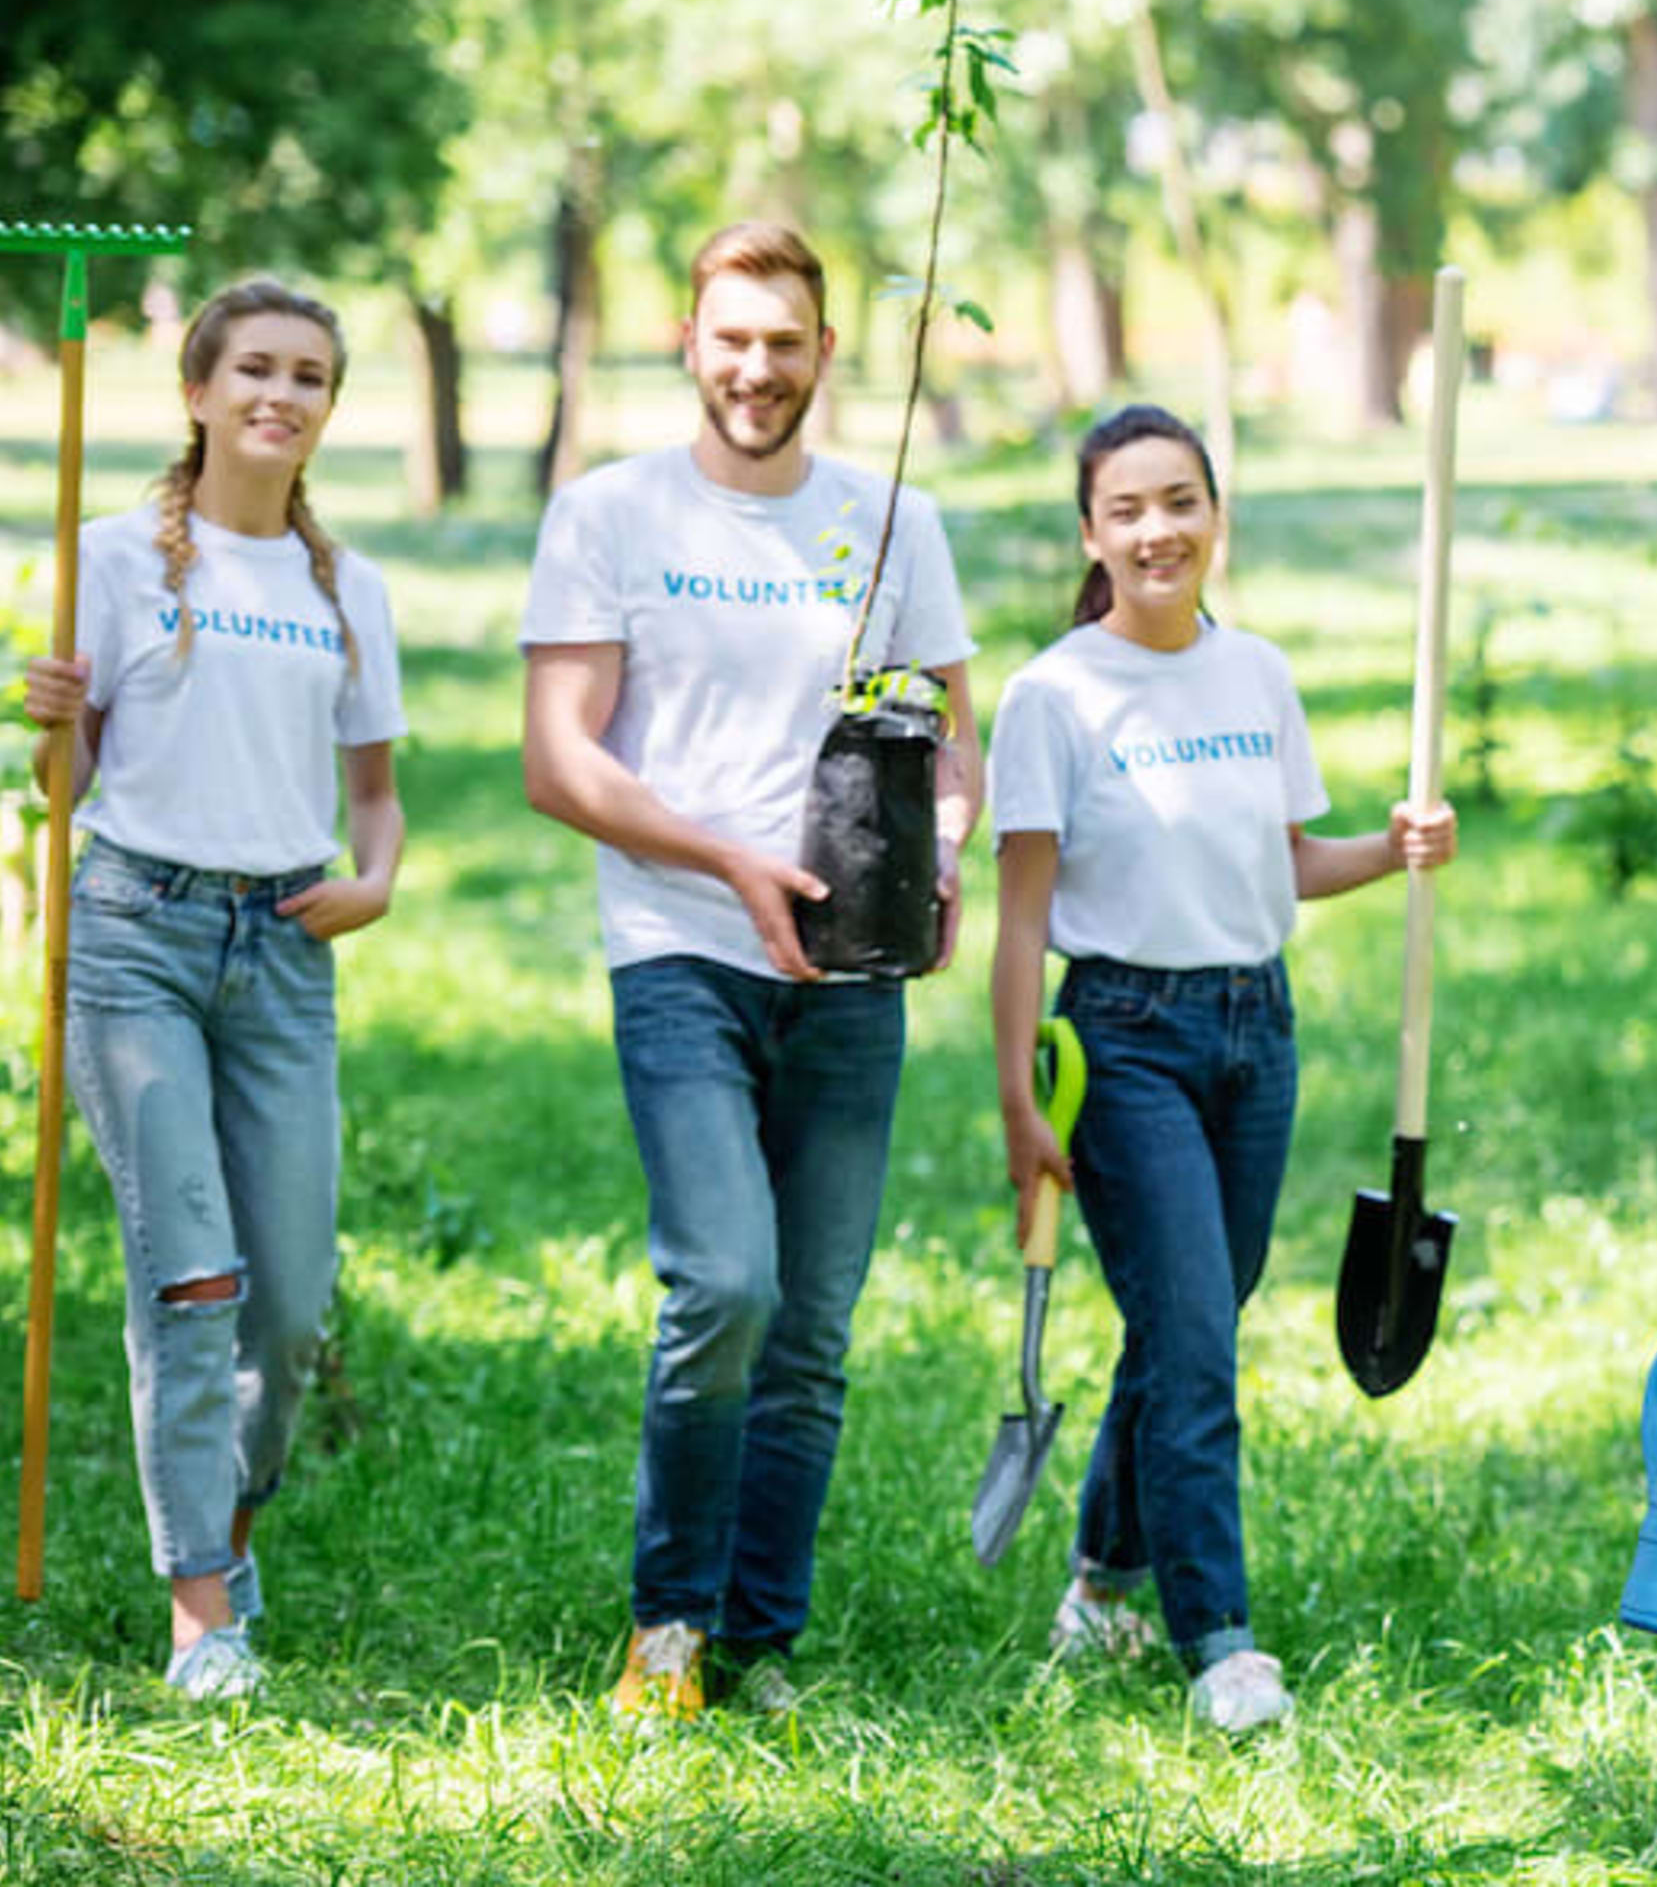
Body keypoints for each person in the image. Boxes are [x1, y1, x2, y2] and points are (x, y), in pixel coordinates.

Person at [519, 220, 981, 1716]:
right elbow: (556, 757)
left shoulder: (891, 520)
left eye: (785, 341)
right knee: (725, 1279)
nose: (757, 368)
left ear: (828, 353)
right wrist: (727, 859)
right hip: (684, 950)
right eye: (732, 337)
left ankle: (761, 1641)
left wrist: (949, 850)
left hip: (851, 974)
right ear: (688, 340)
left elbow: (948, 740)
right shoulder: (610, 514)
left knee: (814, 1324)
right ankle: (671, 1619)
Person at [984, 403, 1455, 1735]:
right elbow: (1022, 915)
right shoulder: (1054, 694)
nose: (1156, 530)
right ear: (1091, 531)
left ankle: (1103, 1575)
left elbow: (1289, 862)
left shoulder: (1255, 673)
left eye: (1179, 501)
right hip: (1123, 1036)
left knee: (1196, 1313)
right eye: (1126, 508)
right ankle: (1218, 1637)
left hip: (1259, 1026)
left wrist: (1396, 846)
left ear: (1215, 516)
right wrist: (1019, 1096)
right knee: (1195, 1334)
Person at [20, 279, 405, 1703]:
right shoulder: (113, 558)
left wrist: (377, 881)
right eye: (253, 366)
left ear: (325, 409)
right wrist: (50, 723)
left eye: (308, 375)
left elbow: (378, 795)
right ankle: (202, 1615)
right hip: (142, 936)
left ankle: (227, 1543)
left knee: (290, 1305)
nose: (279, 394)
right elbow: (67, 793)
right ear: (196, 390)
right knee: (192, 1276)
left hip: (287, 950)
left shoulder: (343, 586)